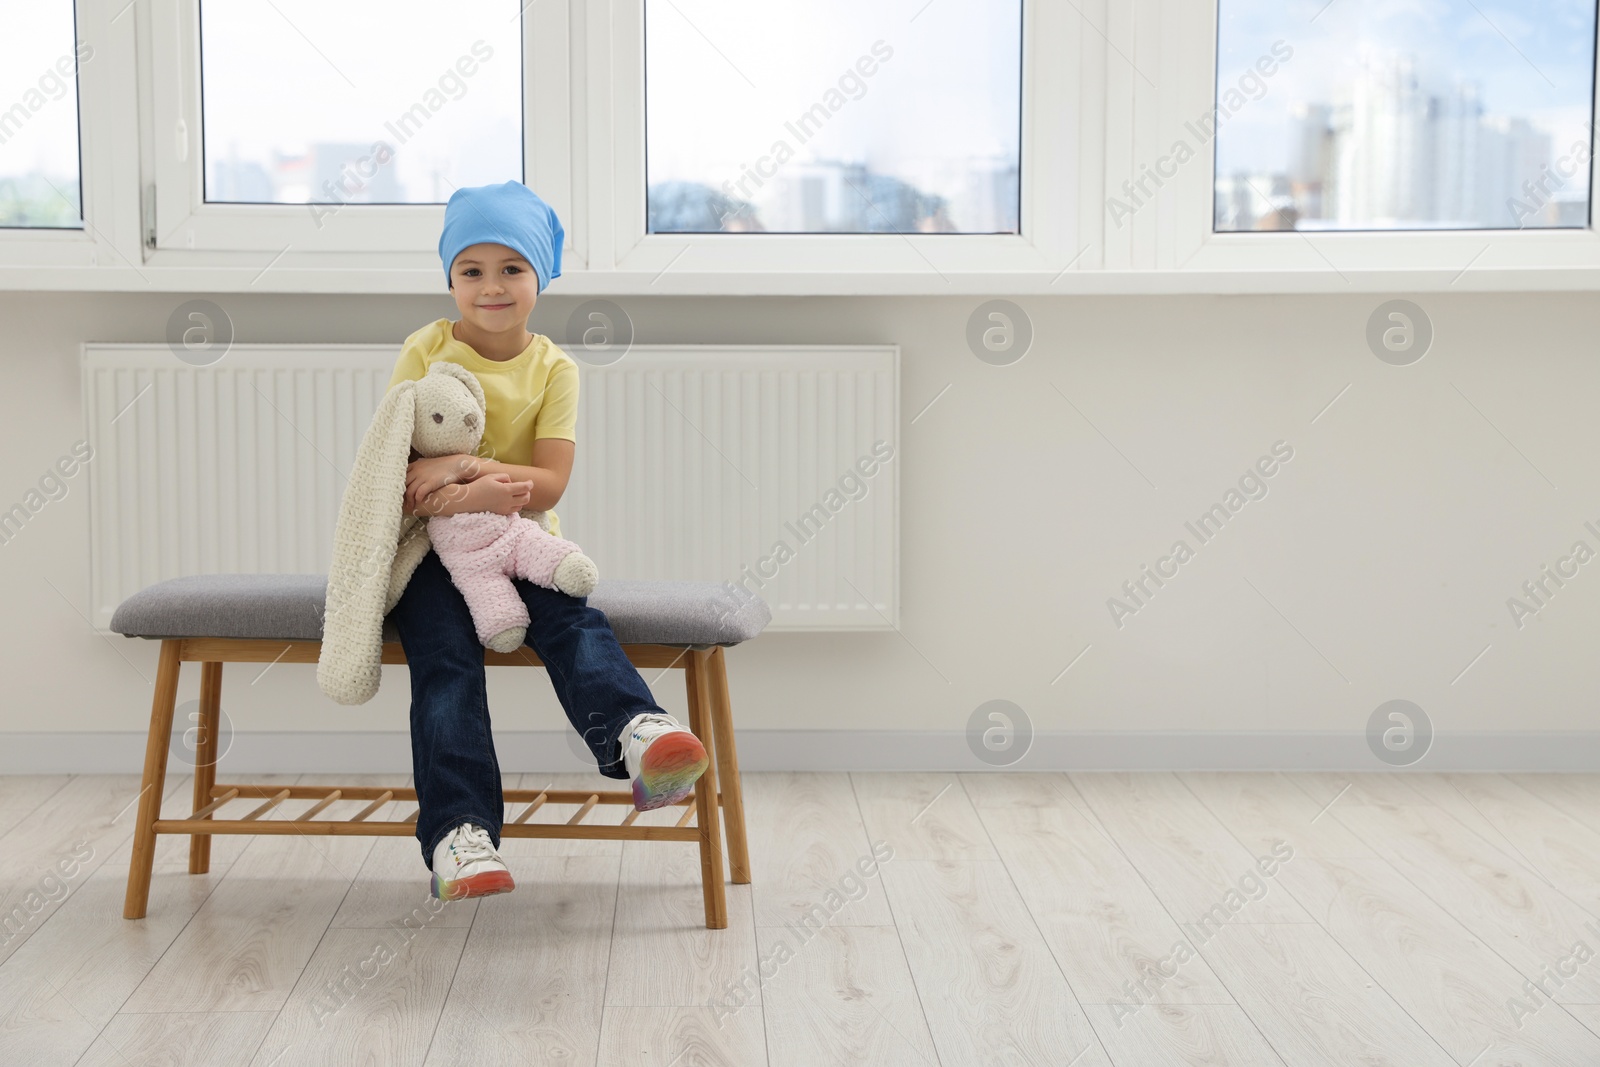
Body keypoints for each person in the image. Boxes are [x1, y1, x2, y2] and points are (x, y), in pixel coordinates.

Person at [385, 180, 707, 901]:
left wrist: (466, 471)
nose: (491, 286)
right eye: (471, 270)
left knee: (570, 616)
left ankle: (638, 733)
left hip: (521, 539)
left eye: (511, 269)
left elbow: (550, 481)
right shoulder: (425, 349)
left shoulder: (555, 368)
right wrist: (469, 486)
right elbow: (399, 474)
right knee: (444, 660)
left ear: (541, 278)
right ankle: (459, 835)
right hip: (430, 553)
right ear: (449, 279)